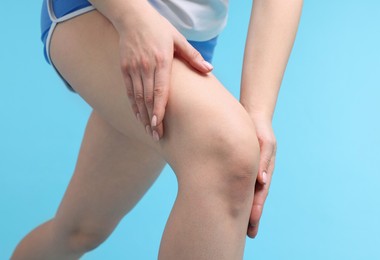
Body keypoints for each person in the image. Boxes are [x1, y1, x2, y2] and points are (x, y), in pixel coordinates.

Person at [12, 0, 303, 259]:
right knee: (229, 151)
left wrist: (258, 111)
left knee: (79, 231)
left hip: (190, 40)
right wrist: (131, 16)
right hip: (101, 11)